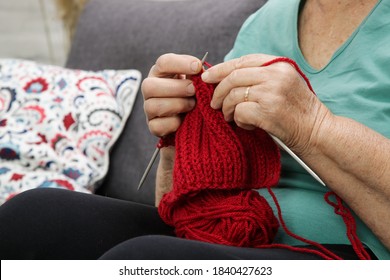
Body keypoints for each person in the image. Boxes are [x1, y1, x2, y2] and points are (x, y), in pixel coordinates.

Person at [0, 0, 389, 260]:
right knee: (35, 216)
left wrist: (314, 127)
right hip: (239, 233)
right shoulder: (269, 19)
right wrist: (179, 135)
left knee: (145, 261)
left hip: (350, 254)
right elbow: (178, 206)